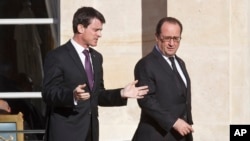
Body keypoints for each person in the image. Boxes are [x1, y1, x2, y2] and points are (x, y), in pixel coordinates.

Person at [42, 6, 149, 141]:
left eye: (100, 30)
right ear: (81, 28)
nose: (99, 34)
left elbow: (97, 94)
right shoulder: (57, 56)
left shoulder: (96, 57)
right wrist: (72, 95)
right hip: (66, 133)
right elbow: (48, 93)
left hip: (91, 133)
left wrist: (121, 93)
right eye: (96, 30)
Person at [132, 17, 194, 141]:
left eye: (176, 38)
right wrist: (174, 122)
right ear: (157, 37)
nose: (172, 43)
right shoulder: (145, 64)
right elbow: (146, 100)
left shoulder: (180, 63)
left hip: (180, 135)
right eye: (167, 38)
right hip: (156, 135)